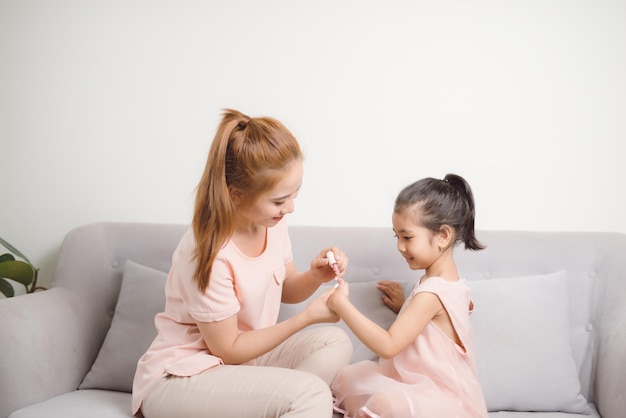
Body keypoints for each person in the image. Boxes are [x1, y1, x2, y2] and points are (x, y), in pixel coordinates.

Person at [132, 109, 353, 418]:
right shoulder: (207, 251)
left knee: (334, 341)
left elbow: (286, 287)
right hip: (183, 376)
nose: (290, 207)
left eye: (295, 193)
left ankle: (286, 407)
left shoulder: (270, 224)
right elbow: (229, 349)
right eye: (279, 200)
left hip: (239, 364)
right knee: (310, 393)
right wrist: (305, 318)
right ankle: (296, 405)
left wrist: (315, 276)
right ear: (236, 195)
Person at [328, 174, 489, 418]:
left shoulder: (432, 293)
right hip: (423, 388)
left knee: (384, 403)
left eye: (407, 237)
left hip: (443, 402)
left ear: (443, 236)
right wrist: (405, 307)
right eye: (397, 236)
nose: (400, 247)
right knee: (351, 377)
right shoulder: (447, 284)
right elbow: (436, 327)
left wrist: (342, 305)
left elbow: (389, 346)